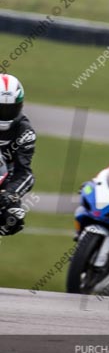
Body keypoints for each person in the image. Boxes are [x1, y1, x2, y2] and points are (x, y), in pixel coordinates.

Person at [0, 74, 36, 238]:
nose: (5, 113)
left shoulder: (25, 132)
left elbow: (25, 174)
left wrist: (10, 194)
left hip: (3, 182)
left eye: (10, 108)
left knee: (13, 220)